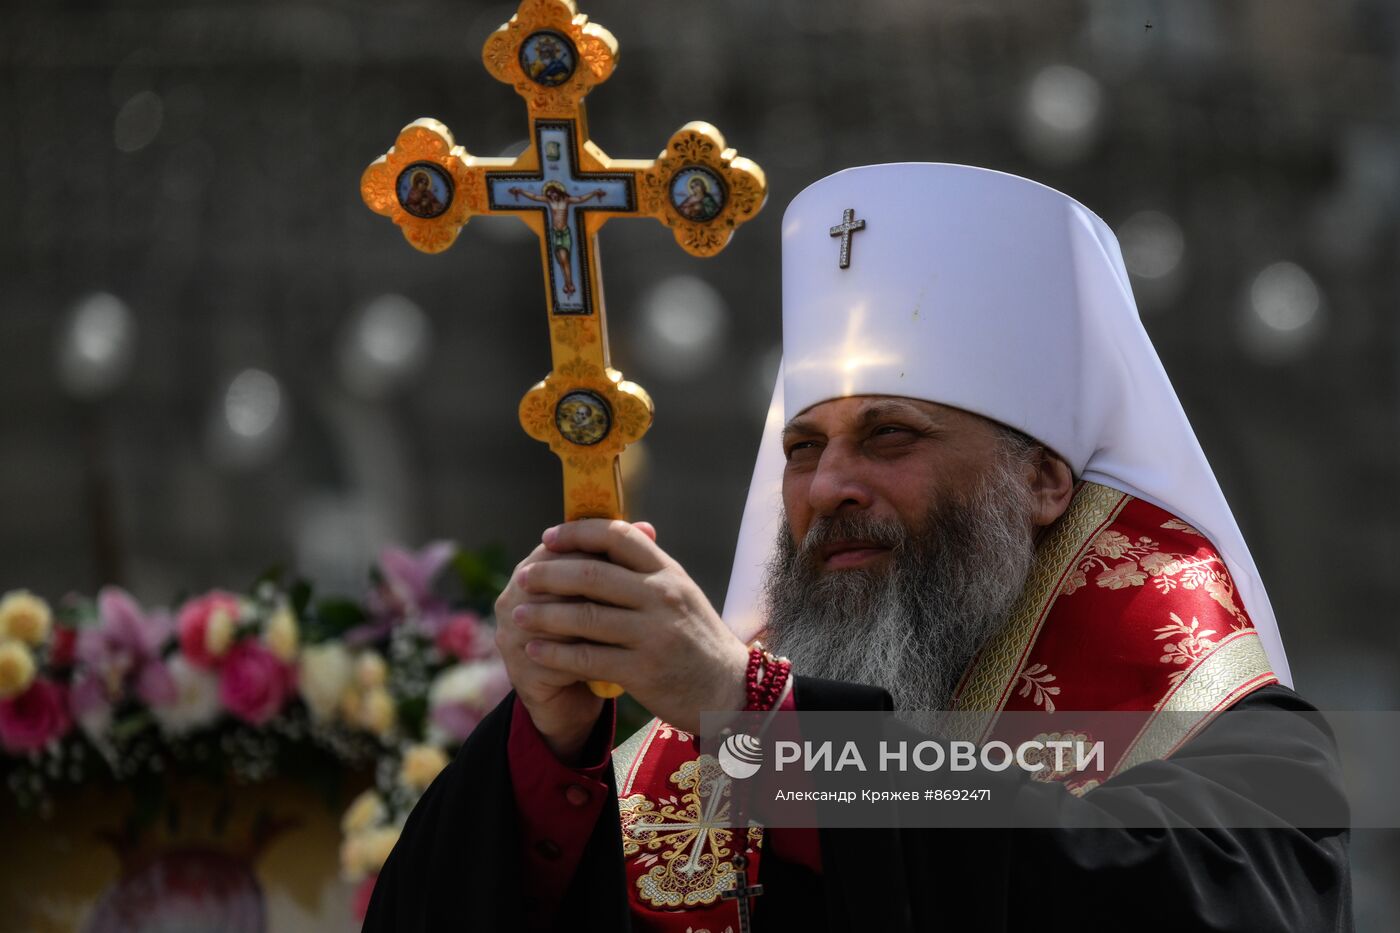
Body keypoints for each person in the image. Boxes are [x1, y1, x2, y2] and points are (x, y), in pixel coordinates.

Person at [363, 164, 1351, 931]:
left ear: (1043, 479)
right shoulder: (680, 751)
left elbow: (1174, 902)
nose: (827, 485)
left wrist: (755, 719)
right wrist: (552, 749)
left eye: (890, 437)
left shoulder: (1242, 746)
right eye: (802, 448)